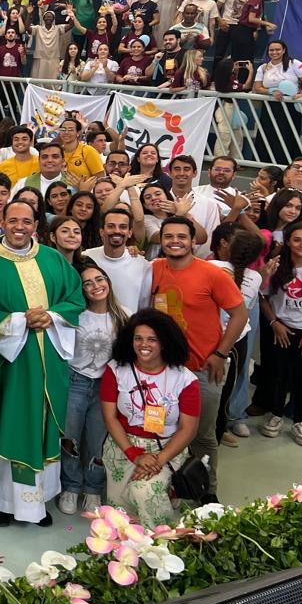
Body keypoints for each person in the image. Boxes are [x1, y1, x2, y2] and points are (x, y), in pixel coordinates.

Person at [0, 200, 84, 526]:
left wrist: (52, 316)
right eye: (13, 220)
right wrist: (19, 321)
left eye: (27, 221)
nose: (20, 227)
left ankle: (38, 502)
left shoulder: (53, 259)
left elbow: (75, 298)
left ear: (35, 225)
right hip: (9, 365)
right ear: (2, 222)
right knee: (6, 424)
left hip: (48, 362)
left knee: (43, 424)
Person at [148, 216, 246, 502]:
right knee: (163, 430)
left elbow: (239, 315)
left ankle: (206, 491)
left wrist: (220, 353)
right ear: (161, 240)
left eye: (181, 236)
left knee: (202, 435)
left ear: (193, 241)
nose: (175, 241)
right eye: (168, 236)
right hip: (163, 369)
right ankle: (169, 486)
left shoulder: (212, 274)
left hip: (203, 368)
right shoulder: (154, 269)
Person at [100, 309, 200, 527]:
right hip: (123, 445)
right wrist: (134, 454)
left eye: (152, 339)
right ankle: (128, 545)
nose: (143, 345)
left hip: (166, 448)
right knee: (120, 510)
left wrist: (158, 461)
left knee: (144, 491)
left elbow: (188, 429)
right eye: (138, 338)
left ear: (164, 342)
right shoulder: (116, 370)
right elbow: (110, 417)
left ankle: (160, 542)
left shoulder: (184, 379)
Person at [57, 261, 127, 516]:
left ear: (107, 281)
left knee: (98, 440)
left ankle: (93, 488)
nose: (95, 286)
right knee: (70, 438)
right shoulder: (74, 315)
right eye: (87, 283)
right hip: (75, 381)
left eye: (99, 279)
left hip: (105, 387)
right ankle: (71, 486)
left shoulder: (123, 316)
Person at [255, 220, 302, 444]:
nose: (301, 244)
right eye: (297, 240)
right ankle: (274, 414)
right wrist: (274, 322)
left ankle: (300, 420)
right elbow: (263, 296)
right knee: (278, 373)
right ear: (288, 242)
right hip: (281, 328)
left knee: (301, 376)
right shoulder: (275, 266)